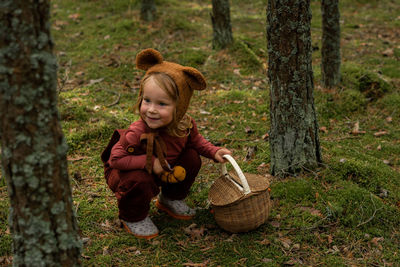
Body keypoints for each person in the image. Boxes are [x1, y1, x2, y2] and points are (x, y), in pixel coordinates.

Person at [101, 48, 231, 239]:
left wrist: (214, 152)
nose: (151, 110)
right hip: (128, 176)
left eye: (162, 104)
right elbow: (116, 159)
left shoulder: (184, 124)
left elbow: (197, 141)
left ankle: (170, 198)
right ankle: (133, 216)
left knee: (192, 157)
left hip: (166, 171)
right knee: (139, 179)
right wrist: (149, 162)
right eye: (147, 100)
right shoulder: (138, 131)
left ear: (180, 106)